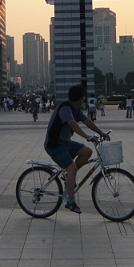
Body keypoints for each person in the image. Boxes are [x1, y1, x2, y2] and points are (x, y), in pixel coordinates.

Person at [43, 84, 111, 213]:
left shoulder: (76, 110)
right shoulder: (65, 108)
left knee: (87, 152)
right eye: (83, 96)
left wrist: (101, 133)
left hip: (65, 143)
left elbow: (87, 121)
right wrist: (87, 137)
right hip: (54, 146)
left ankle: (69, 176)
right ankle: (71, 201)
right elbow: (72, 124)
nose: (84, 98)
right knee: (72, 167)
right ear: (80, 98)